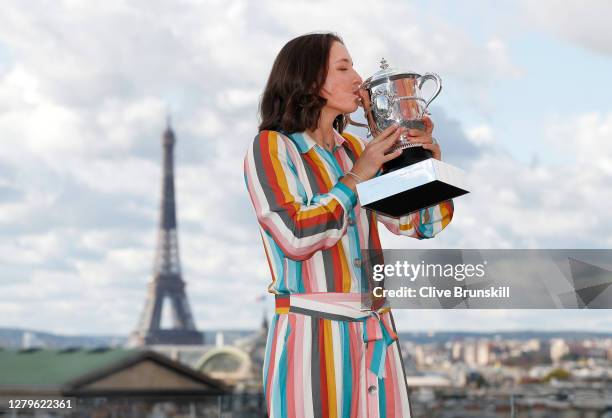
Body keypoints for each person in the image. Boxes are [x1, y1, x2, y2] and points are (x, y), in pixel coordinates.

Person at [244, 32, 454, 418]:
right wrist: (357, 177)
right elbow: (296, 236)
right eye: (343, 67)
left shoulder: (356, 150)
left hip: (375, 330)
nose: (358, 78)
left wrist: (426, 168)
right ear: (308, 81)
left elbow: (417, 225)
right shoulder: (272, 147)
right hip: (312, 334)